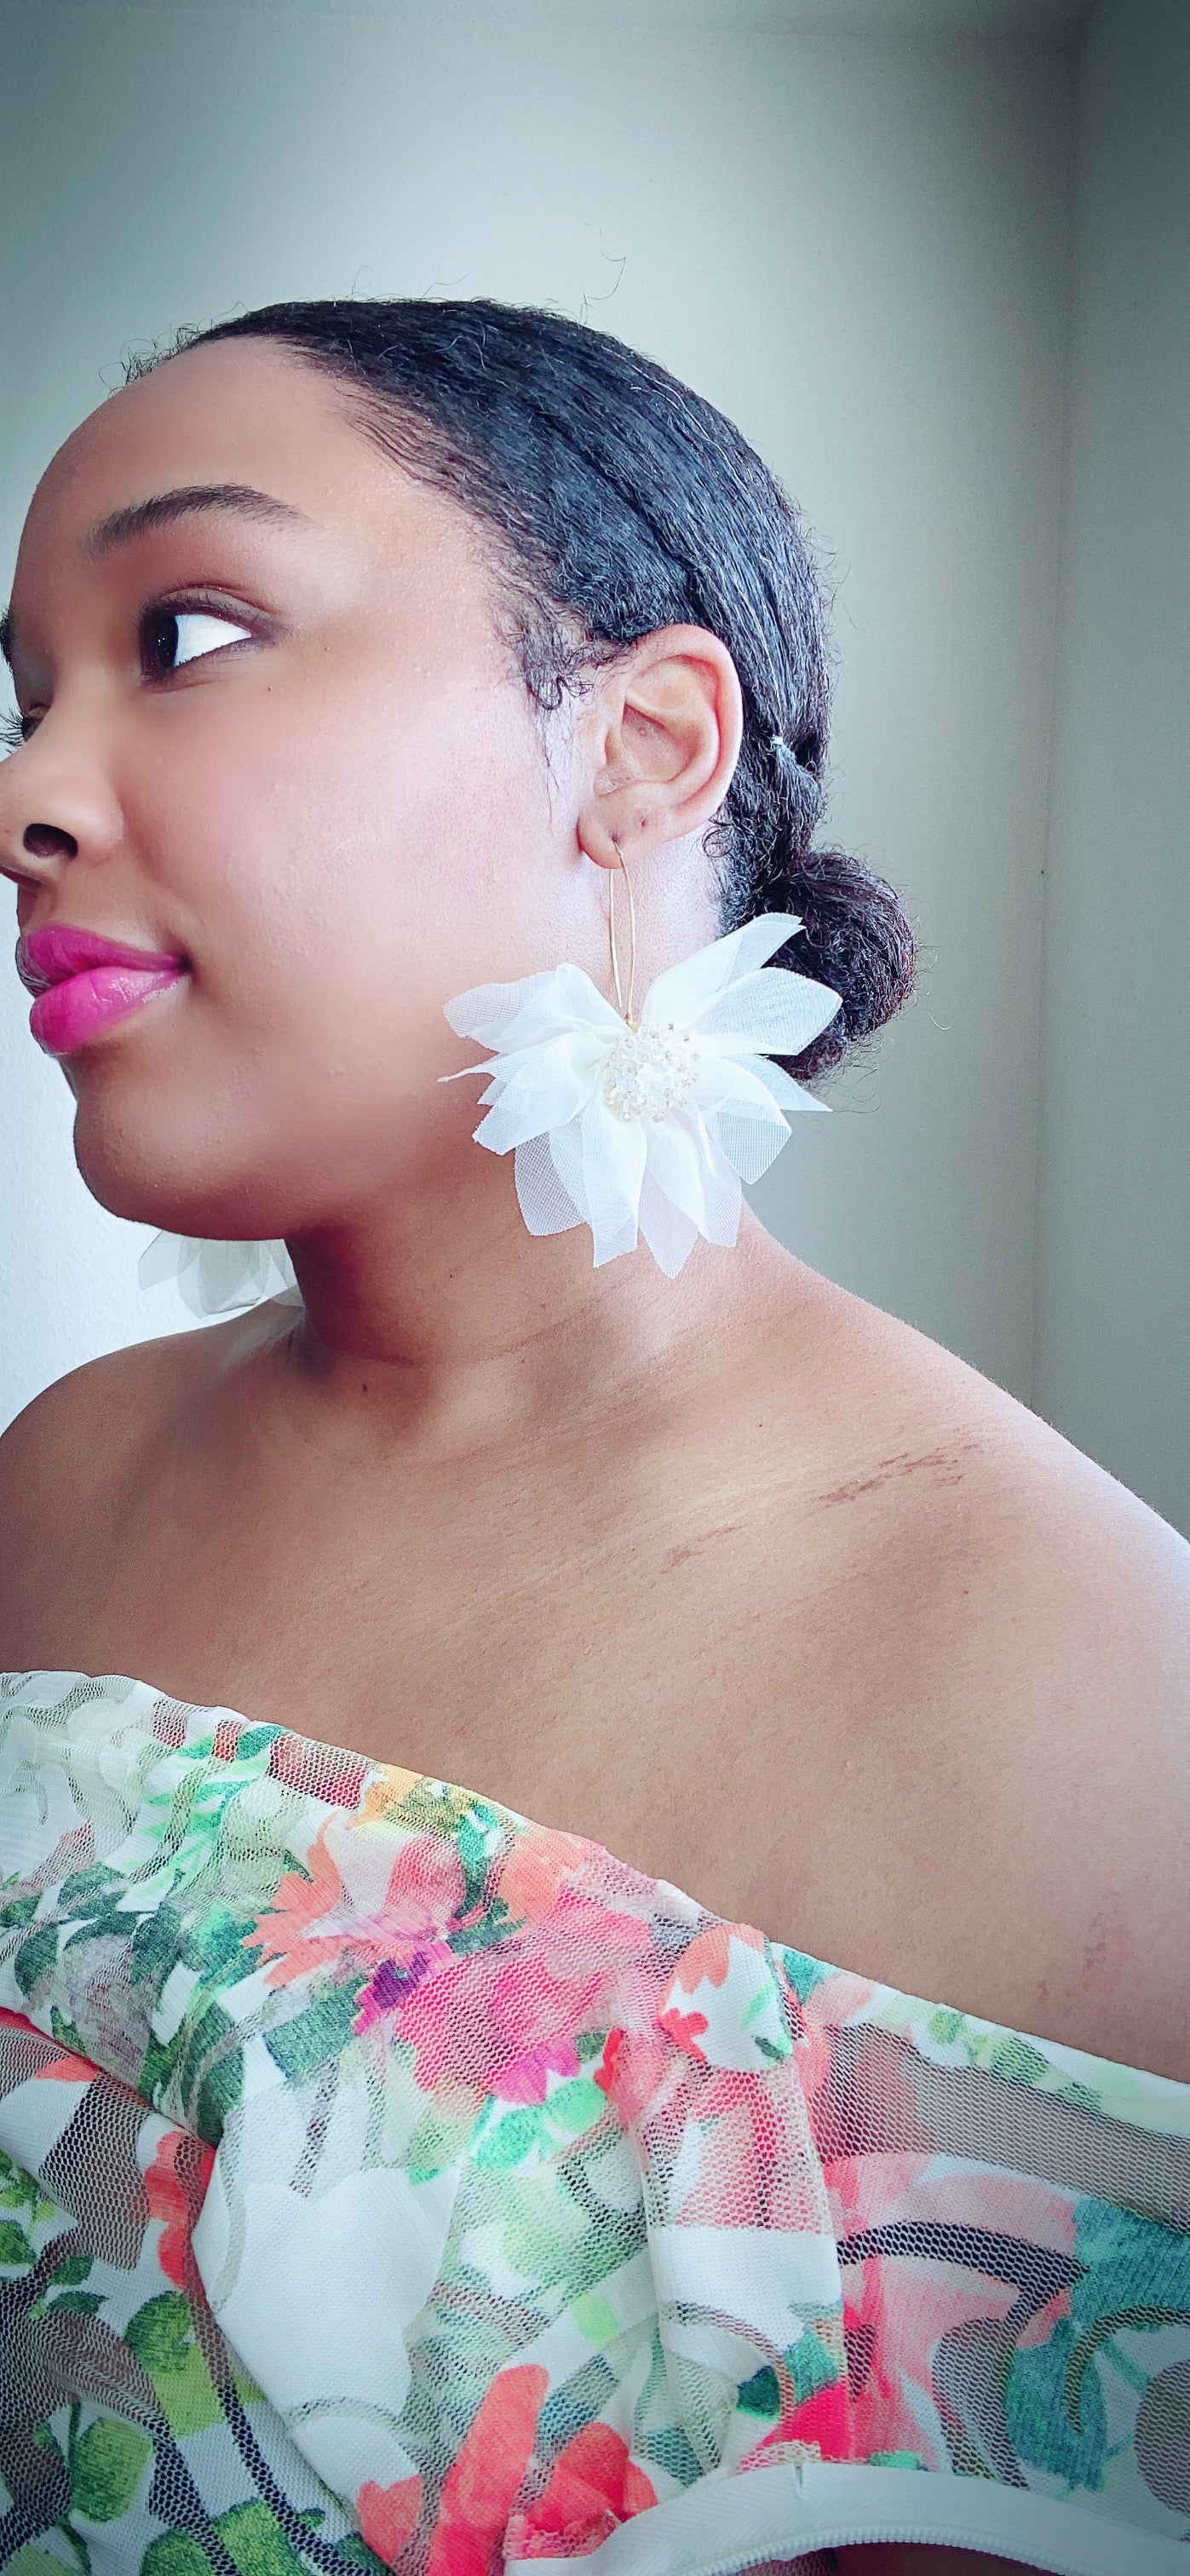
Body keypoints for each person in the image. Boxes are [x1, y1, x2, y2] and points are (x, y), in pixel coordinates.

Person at [0, 300, 1185, 2576]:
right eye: (27, 693)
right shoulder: (60, 1481)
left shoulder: (1097, 1703)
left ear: (639, 748)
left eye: (189, 630)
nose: (33, 794)